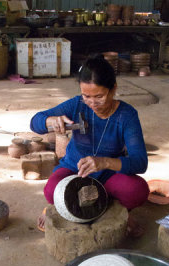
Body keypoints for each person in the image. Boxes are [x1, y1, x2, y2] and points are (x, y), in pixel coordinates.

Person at [30, 54, 149, 236]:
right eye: (86, 96)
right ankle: (86, 207)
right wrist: (50, 120)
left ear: (113, 89)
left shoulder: (127, 115)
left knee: (138, 190)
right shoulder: (77, 105)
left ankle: (120, 212)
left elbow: (140, 162)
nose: (92, 103)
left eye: (99, 96)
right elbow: (34, 122)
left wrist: (105, 162)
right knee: (51, 190)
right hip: (74, 169)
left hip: (109, 174)